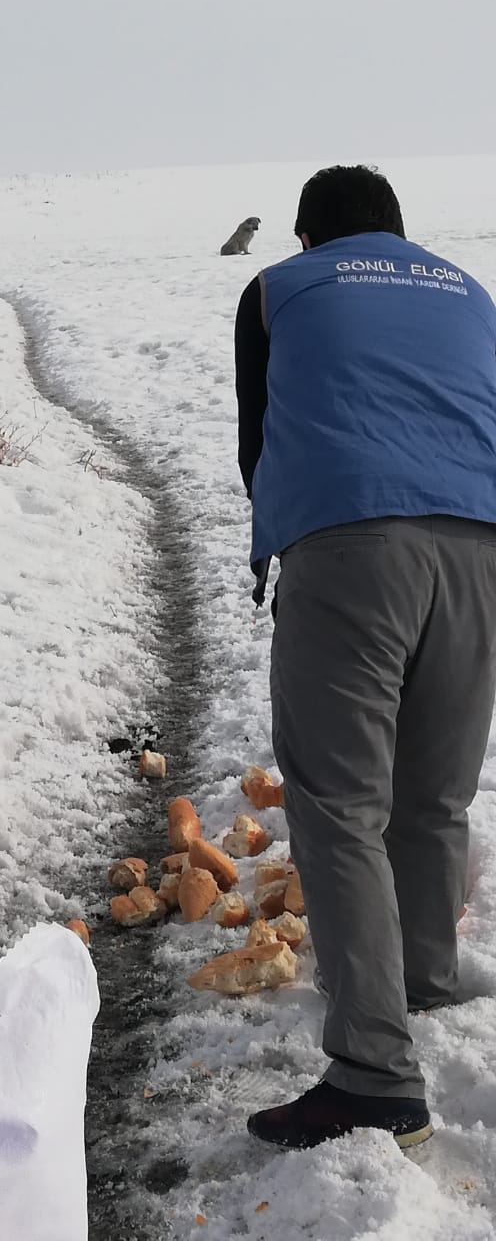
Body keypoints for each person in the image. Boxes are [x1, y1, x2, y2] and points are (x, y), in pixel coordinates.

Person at [234, 165, 496, 1151]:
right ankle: (420, 984)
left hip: (351, 542)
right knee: (434, 794)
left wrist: (279, 547)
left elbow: (260, 438)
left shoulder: (279, 290)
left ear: (307, 238)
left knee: (341, 803)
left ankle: (375, 1074)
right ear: (398, 233)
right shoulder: (469, 289)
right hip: (481, 543)